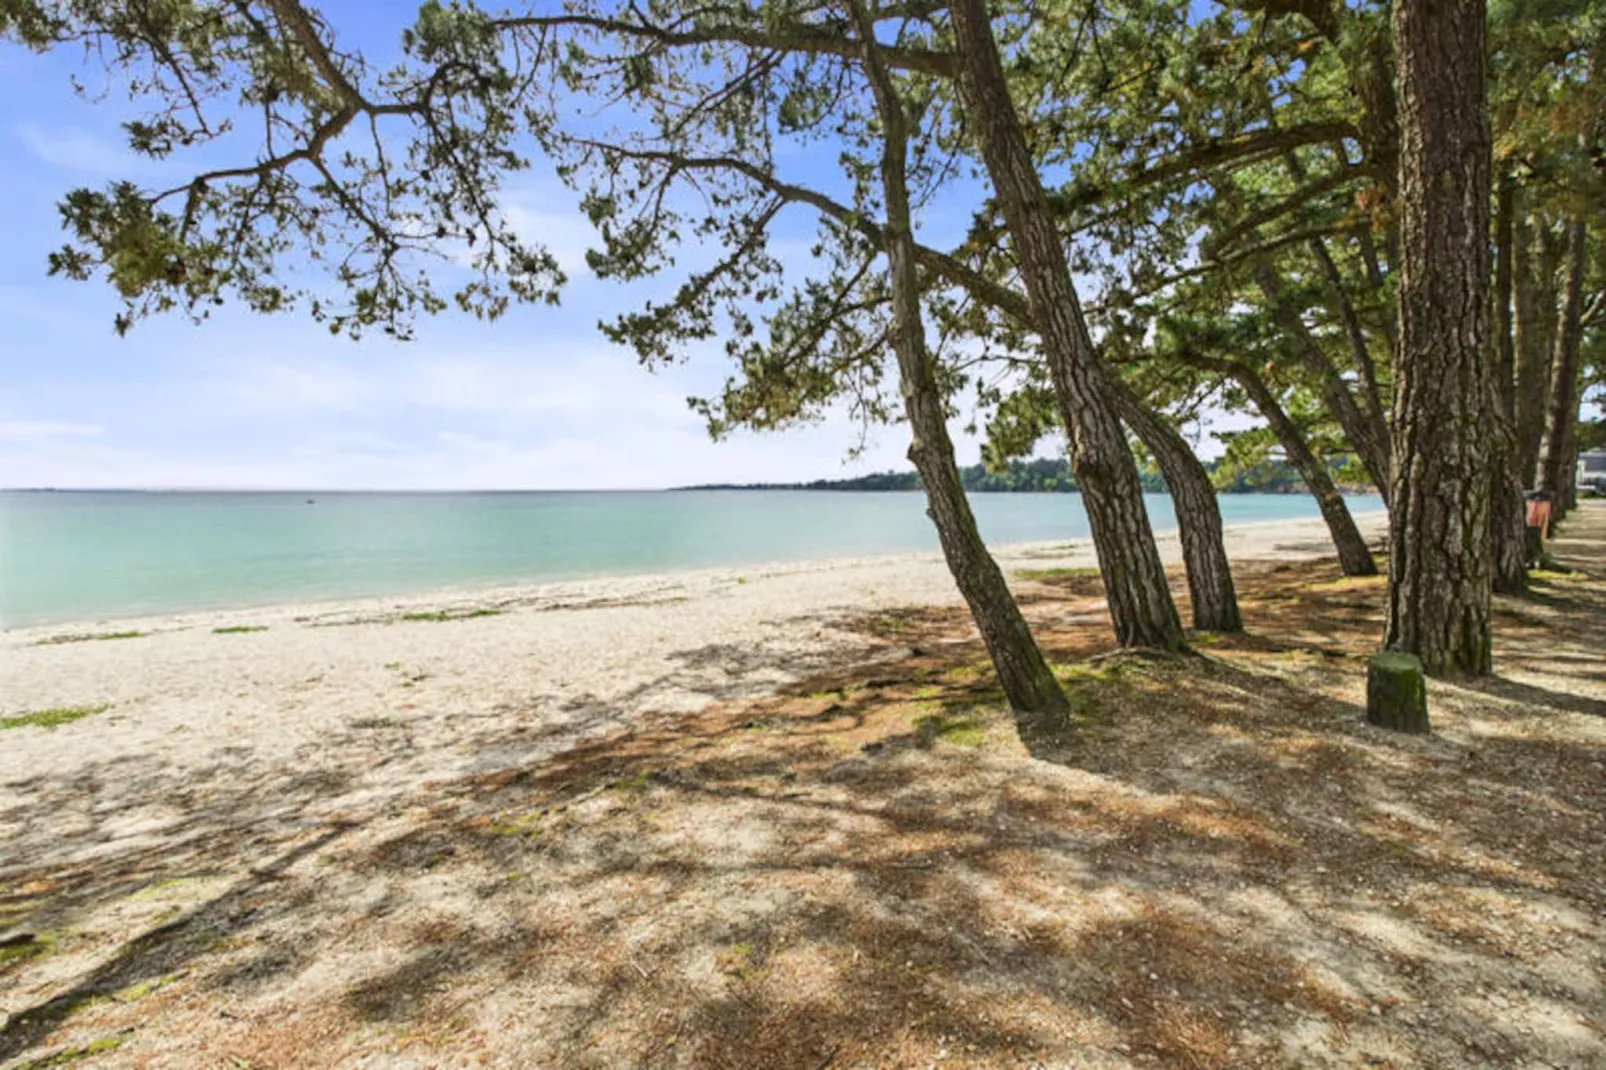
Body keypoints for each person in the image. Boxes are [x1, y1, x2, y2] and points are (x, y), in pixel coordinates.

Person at [1524, 490, 1553, 568]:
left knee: (1532, 530)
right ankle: (1535, 559)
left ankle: (1534, 560)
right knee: (1535, 531)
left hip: (1533, 503)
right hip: (1539, 503)